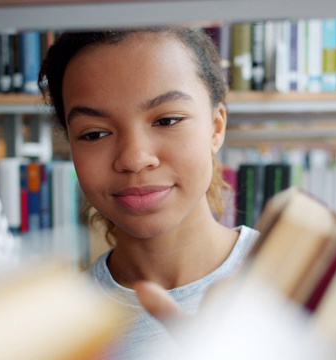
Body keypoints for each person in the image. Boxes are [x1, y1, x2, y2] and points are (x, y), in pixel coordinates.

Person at [39, 27, 261, 359]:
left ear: (216, 128)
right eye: (95, 134)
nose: (134, 158)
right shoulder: (62, 326)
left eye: (168, 120)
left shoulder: (300, 279)